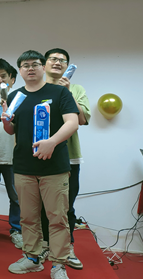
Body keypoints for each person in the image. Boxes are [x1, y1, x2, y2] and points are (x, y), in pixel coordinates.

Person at [3, 50, 79, 279]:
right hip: (24, 166)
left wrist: (52, 142)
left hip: (54, 167)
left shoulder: (59, 92)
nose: (30, 68)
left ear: (43, 67)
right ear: (20, 70)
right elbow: (11, 130)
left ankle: (58, 265)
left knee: (58, 218)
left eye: (35, 64)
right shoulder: (15, 96)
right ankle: (32, 258)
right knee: (28, 217)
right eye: (25, 65)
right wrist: (6, 121)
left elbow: (72, 122)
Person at [39, 49, 90, 270]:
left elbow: (83, 119)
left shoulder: (76, 89)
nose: (58, 62)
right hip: (40, 155)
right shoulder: (37, 87)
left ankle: (67, 248)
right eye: (53, 59)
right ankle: (45, 246)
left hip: (69, 156)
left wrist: (67, 93)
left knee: (66, 207)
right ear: (44, 64)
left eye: (62, 60)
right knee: (42, 206)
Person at [0, 59, 23, 248]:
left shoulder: (18, 98)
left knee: (16, 196)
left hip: (13, 156)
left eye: (3, 76)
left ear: (12, 79)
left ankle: (17, 230)